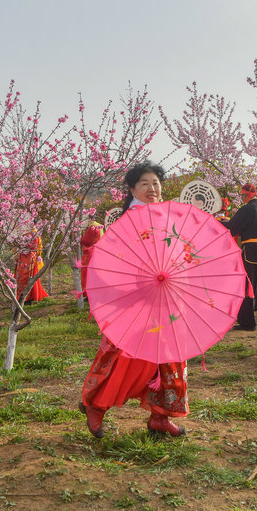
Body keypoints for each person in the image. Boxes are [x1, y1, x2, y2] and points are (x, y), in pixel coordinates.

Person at [81, 162, 188, 438]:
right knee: (126, 357)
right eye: (145, 184)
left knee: (170, 358)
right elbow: (116, 262)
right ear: (132, 189)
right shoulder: (129, 221)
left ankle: (161, 416)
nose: (152, 189)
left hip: (167, 296)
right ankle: (96, 405)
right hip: (137, 300)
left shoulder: (166, 216)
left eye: (156, 183)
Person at [222, 183, 257, 330]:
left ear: (247, 195)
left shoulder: (246, 209)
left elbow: (232, 228)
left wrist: (220, 222)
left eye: (243, 195)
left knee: (247, 285)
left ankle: (248, 322)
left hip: (252, 251)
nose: (242, 197)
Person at [15, 231, 49, 304]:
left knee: (27, 277)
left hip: (30, 258)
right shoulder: (24, 231)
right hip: (22, 257)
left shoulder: (34, 233)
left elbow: (35, 247)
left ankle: (28, 298)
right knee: (21, 277)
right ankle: (21, 296)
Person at [78, 221, 104, 301]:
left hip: (90, 253)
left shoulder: (92, 227)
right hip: (98, 252)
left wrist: (79, 237)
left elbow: (87, 241)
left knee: (88, 275)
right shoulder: (99, 225)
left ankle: (89, 295)